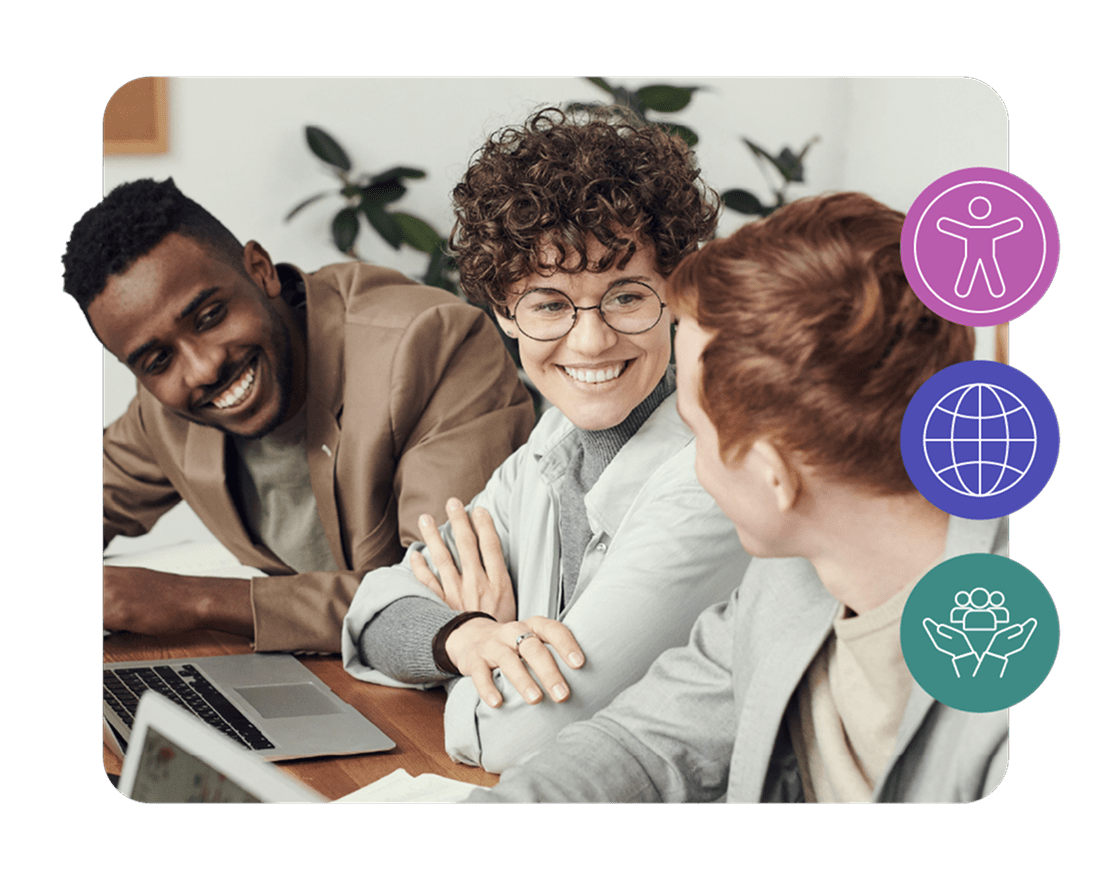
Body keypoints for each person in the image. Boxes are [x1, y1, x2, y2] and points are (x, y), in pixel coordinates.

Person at [465, 191, 1009, 803]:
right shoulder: (788, 585)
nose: (690, 464)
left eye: (695, 430)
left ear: (774, 474)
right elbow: (638, 746)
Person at [341, 108, 750, 773]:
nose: (590, 340)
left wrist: (459, 658)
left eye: (625, 297)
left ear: (674, 293)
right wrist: (467, 636)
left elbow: (522, 739)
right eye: (550, 304)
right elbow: (372, 609)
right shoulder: (548, 449)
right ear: (505, 313)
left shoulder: (706, 484)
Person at [65, 177, 534, 654]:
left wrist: (196, 600)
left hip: (467, 687)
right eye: (157, 361)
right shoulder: (165, 412)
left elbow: (445, 599)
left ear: (261, 270)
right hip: (321, 675)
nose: (203, 369)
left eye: (209, 316)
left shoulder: (427, 343)